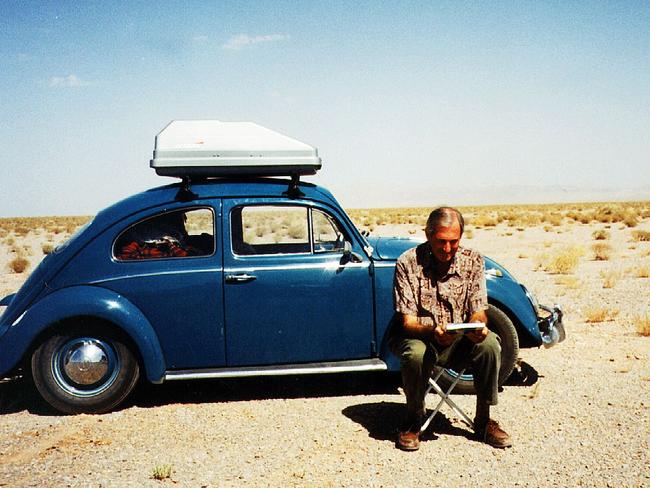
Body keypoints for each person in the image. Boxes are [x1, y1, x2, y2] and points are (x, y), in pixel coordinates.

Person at [390, 206, 512, 451]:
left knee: (489, 345)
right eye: (441, 242)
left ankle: (483, 420)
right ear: (427, 234)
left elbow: (479, 308)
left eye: (453, 242)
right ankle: (413, 420)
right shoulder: (407, 262)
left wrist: (478, 327)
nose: (447, 249)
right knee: (414, 354)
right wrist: (433, 331)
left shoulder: (473, 260)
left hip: (457, 338)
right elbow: (407, 322)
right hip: (419, 336)